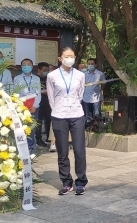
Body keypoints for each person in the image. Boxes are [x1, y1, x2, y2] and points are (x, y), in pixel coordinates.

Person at [47, 47, 87, 195]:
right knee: (62, 151)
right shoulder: (52, 75)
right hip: (59, 115)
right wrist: (58, 108)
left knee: (79, 150)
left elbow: (80, 94)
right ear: (60, 58)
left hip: (76, 114)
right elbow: (51, 96)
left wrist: (72, 105)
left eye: (72, 56)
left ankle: (81, 181)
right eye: (66, 56)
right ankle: (66, 181)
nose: (69, 58)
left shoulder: (80, 75)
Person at [13, 59, 41, 152]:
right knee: (21, 127)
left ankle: (31, 147)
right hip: (21, 106)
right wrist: (20, 106)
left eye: (29, 64)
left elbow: (38, 93)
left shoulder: (36, 78)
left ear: (32, 67)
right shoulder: (17, 78)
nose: (26, 66)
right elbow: (15, 93)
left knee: (31, 127)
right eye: (24, 64)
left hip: (34, 106)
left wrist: (35, 106)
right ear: (21, 67)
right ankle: (21, 147)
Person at [35, 62, 51, 147]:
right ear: (39, 70)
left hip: (48, 103)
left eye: (47, 70)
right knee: (39, 122)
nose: (46, 72)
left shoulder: (48, 78)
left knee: (49, 120)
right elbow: (34, 91)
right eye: (44, 70)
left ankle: (49, 137)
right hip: (38, 103)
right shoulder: (35, 78)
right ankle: (38, 139)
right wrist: (44, 91)